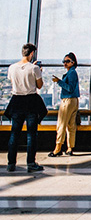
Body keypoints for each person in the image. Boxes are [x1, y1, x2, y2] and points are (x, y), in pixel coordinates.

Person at [5, 43, 47, 172]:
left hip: (16, 101)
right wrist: (38, 71)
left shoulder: (12, 68)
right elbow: (39, 86)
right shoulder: (34, 69)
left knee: (14, 134)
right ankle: (31, 163)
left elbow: (12, 82)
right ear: (32, 53)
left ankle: (11, 163)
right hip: (30, 102)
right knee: (31, 134)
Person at [49, 52, 80, 157]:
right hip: (74, 101)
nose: (65, 63)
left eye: (67, 61)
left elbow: (70, 88)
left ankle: (58, 148)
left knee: (61, 124)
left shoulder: (71, 73)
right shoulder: (73, 73)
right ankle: (70, 147)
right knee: (71, 125)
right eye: (64, 61)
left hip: (68, 100)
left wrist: (59, 82)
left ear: (73, 62)